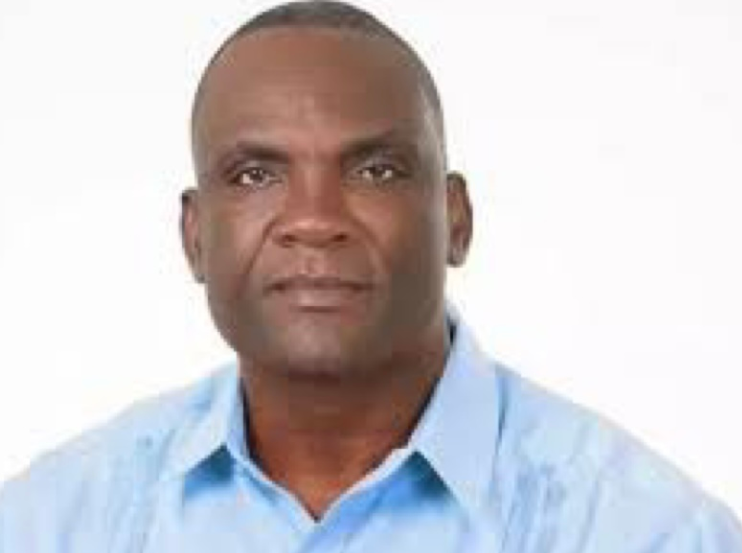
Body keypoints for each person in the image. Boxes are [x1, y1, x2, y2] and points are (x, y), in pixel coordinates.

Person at [1, 1, 740, 551]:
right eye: (256, 174)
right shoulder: (53, 525)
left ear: (456, 218)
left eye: (376, 170)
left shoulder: (646, 532)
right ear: (195, 237)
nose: (314, 219)